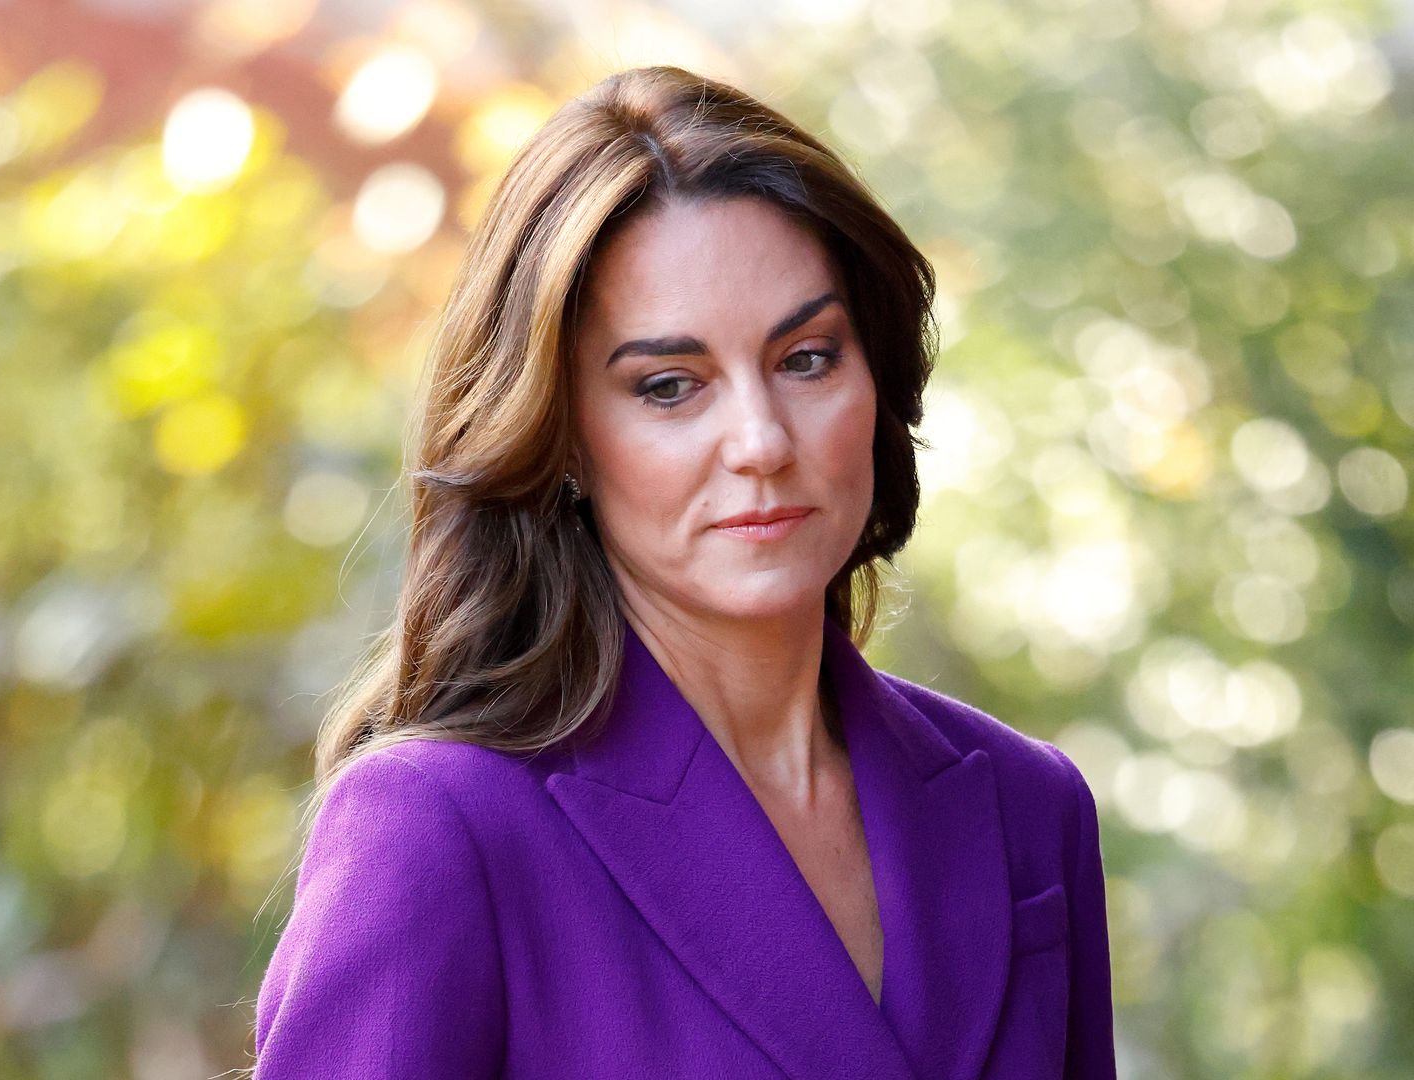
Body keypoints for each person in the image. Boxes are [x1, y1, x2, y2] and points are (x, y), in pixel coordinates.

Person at [249, 64, 1116, 1079]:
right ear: (562, 436)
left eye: (806, 358)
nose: (759, 440)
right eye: (669, 386)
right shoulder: (443, 830)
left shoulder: (1026, 806)